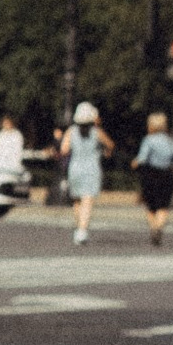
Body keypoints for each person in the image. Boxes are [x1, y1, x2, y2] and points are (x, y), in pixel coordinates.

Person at [60, 101, 104, 244]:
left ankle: (80, 228)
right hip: (92, 168)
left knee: (77, 201)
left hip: (75, 168)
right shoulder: (96, 132)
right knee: (87, 200)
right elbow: (110, 145)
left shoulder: (71, 131)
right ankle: (82, 230)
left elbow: (64, 150)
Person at [136, 108, 173, 244]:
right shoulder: (170, 141)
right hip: (166, 174)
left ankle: (154, 226)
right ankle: (159, 227)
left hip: (150, 174)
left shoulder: (149, 140)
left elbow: (142, 158)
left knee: (151, 205)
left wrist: (135, 163)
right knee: (163, 205)